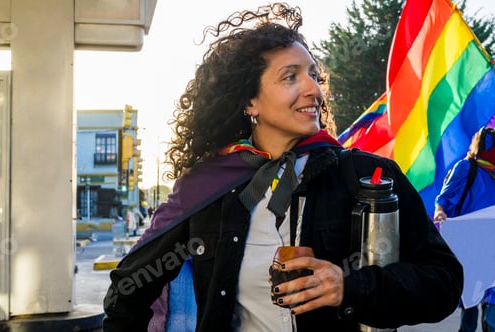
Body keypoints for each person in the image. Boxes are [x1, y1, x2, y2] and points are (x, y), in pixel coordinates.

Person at [103, 3, 463, 331]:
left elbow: (444, 281)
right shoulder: (206, 189)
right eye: (290, 77)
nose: (313, 90)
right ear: (250, 102)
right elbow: (128, 291)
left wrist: (350, 287)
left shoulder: (367, 176)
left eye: (313, 75)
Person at [434, 126, 495, 332]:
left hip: (492, 245)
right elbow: (445, 197)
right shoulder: (466, 168)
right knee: (471, 302)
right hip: (472, 246)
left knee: (492, 305)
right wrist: (440, 211)